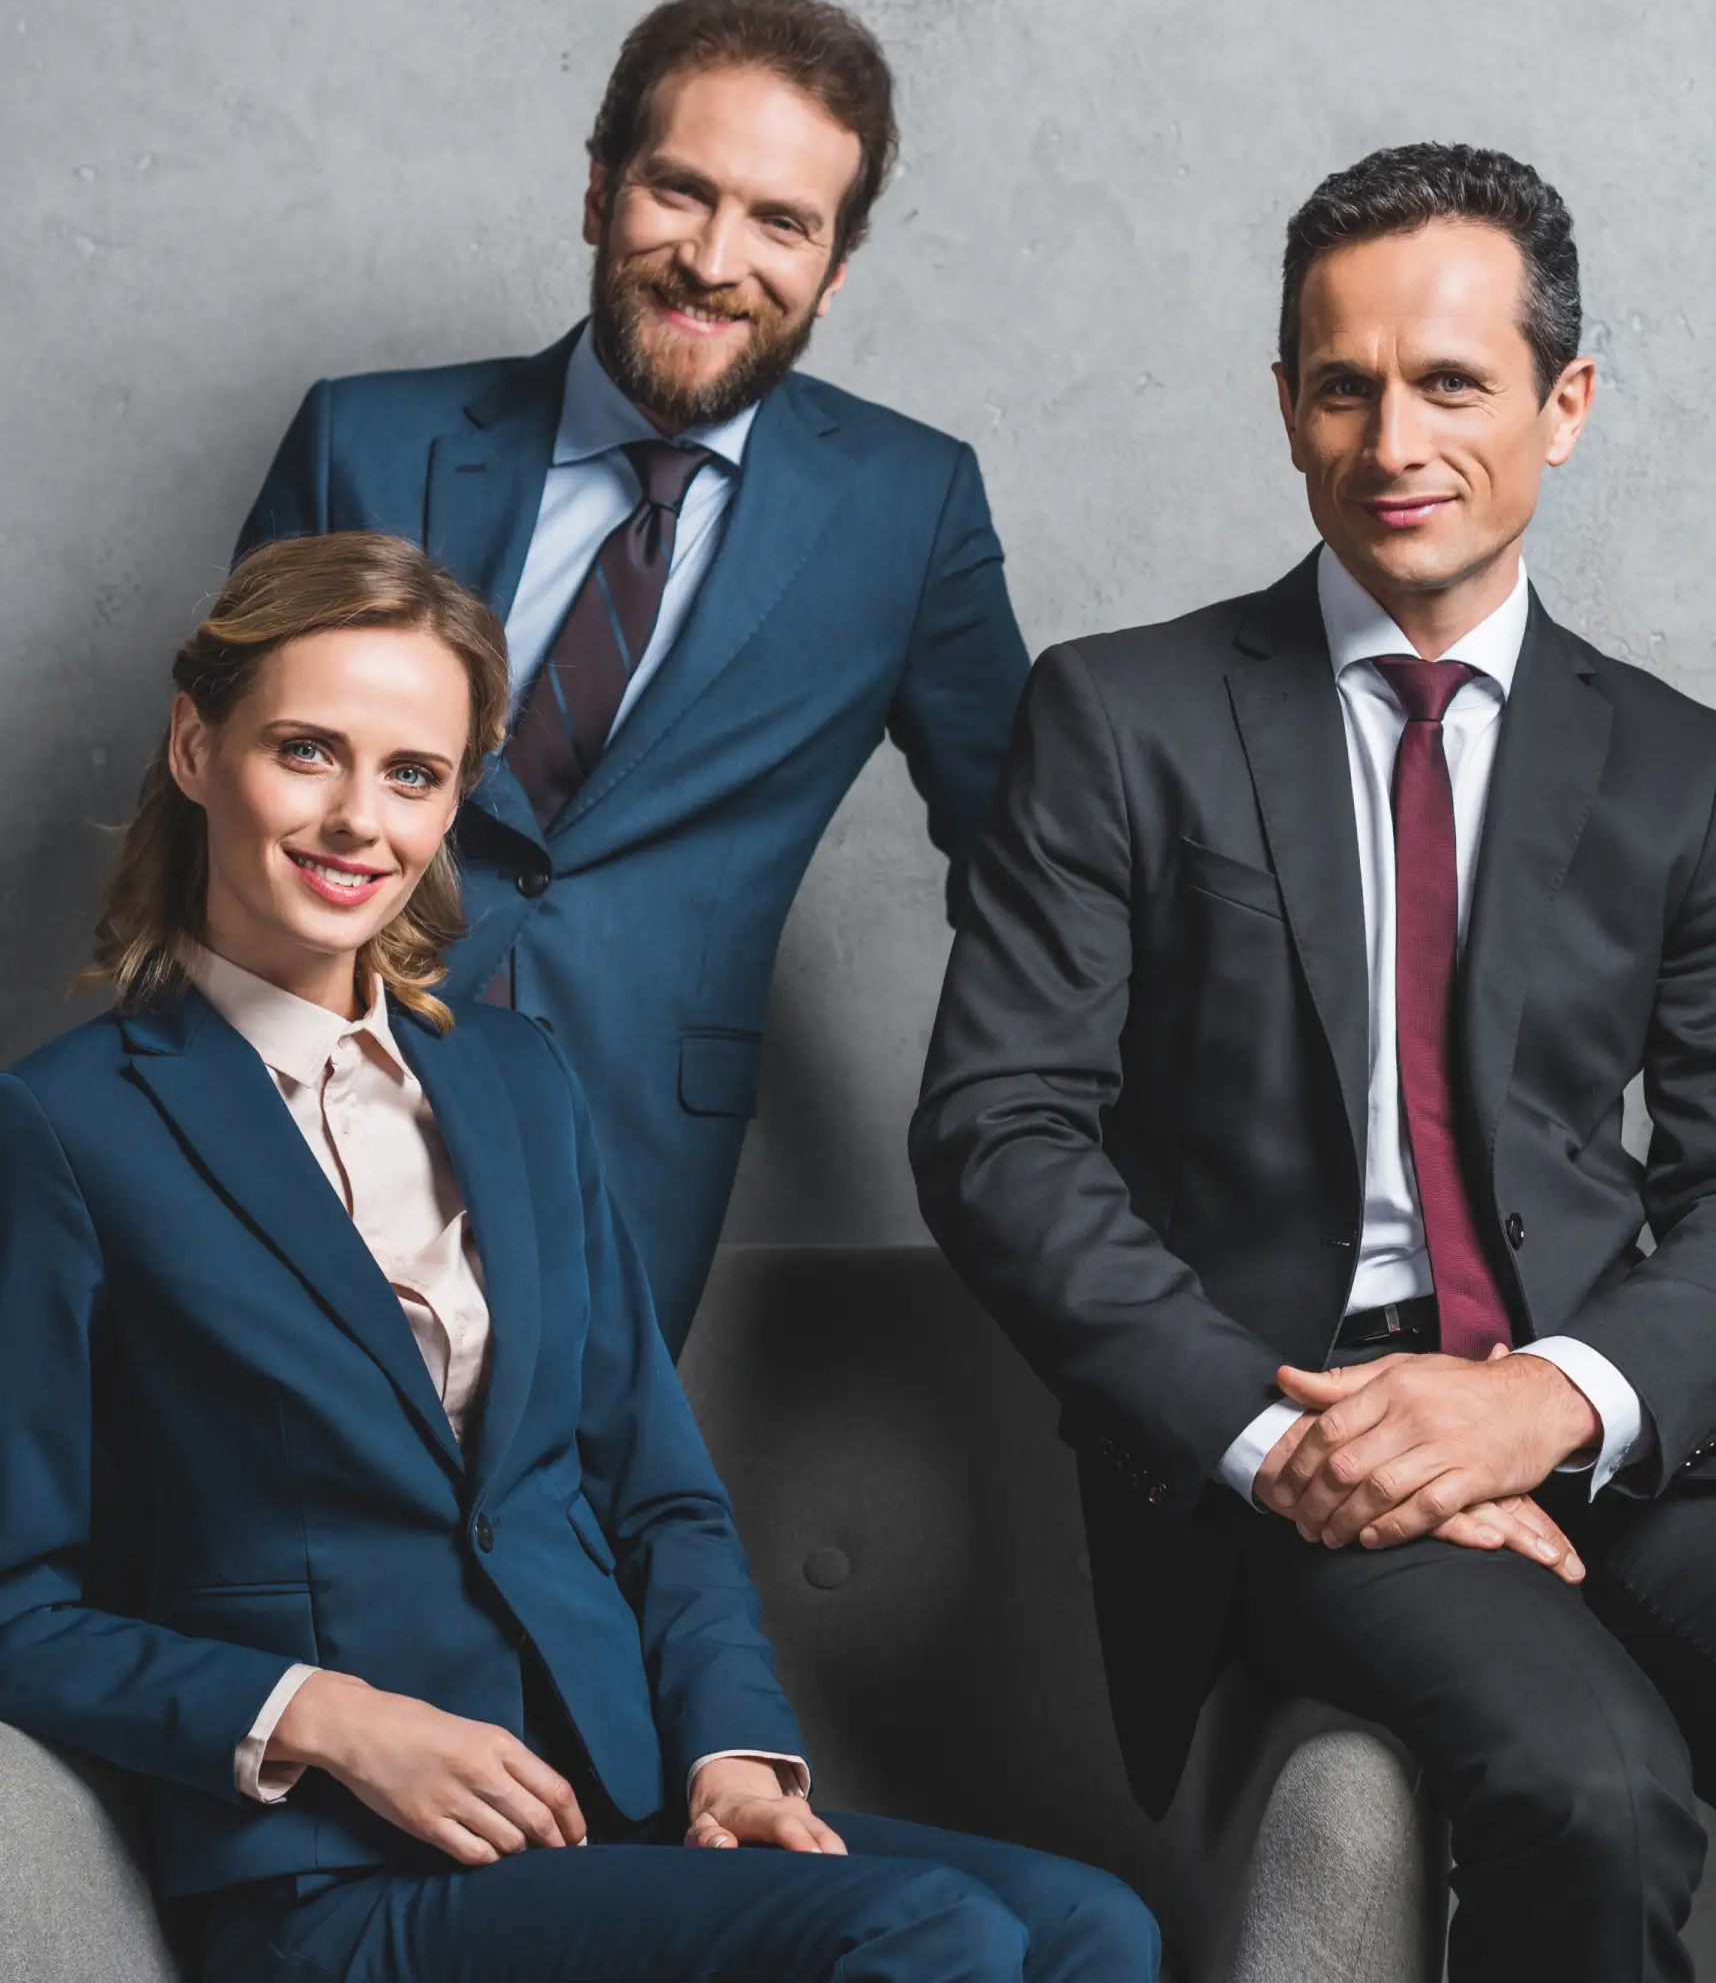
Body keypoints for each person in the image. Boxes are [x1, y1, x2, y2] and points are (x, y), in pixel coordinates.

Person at [0, 531, 1154, 1983]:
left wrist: (738, 1757)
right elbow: (17, 1603)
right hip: (332, 1878)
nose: (359, 818)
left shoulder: (513, 1078)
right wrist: (324, 1714)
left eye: (413, 774)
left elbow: (654, 1489)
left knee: (1092, 1925)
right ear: (194, 744)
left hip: (610, 1805)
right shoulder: (61, 1127)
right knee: (923, 1931)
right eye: (308, 751)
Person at [911, 142, 1716, 1981]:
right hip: (1303, 1435)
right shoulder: (1125, 716)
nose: (1394, 437)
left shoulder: (1682, 769)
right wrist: (1280, 1442)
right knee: (1594, 1788)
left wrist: (1555, 1401)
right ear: (1284, 407)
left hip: (1604, 1430)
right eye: (1342, 384)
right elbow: (998, 1131)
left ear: (1564, 404)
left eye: (1451, 381)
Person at [236, 0, 1030, 1355]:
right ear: (601, 193)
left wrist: (1046, 1136)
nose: (718, 261)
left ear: (834, 269)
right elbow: (217, 790)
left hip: (623, 1150)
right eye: (682, 191)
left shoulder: (910, 510)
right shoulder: (362, 443)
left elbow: (1035, 868)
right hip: (283, 1095)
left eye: (782, 222)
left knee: (543, 1539)